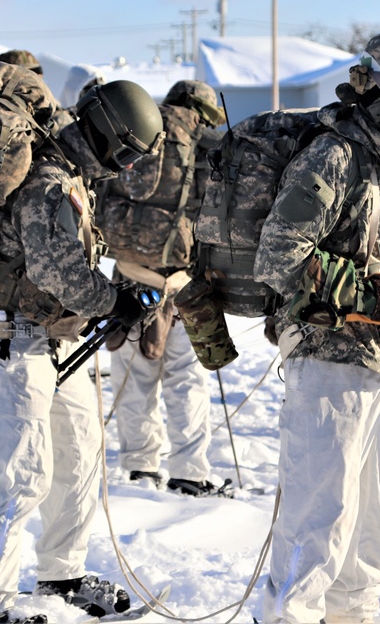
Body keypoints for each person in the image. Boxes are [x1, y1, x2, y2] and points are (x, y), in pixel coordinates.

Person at [0, 78, 163, 623]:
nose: (126, 167)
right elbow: (51, 269)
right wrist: (112, 300)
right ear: (109, 135)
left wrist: (113, 298)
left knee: (81, 451)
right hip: (3, 332)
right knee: (20, 473)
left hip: (40, 332)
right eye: (127, 153)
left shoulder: (71, 174)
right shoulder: (47, 179)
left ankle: (60, 574)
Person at [253, 28, 380, 623]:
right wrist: (373, 294)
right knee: (320, 519)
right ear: (376, 89)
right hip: (328, 359)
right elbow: (278, 258)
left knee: (379, 520)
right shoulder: (334, 155)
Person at [103, 80, 228, 495]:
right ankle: (190, 472)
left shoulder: (138, 133)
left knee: (133, 378)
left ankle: (140, 466)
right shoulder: (207, 147)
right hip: (186, 285)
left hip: (130, 279)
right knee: (187, 380)